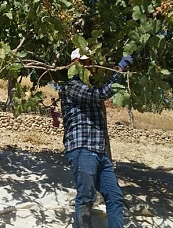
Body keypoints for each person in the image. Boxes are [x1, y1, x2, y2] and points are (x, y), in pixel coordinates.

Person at [59, 48, 133, 228]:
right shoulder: (72, 86)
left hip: (99, 151)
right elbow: (100, 95)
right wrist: (119, 70)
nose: (89, 65)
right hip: (82, 148)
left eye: (90, 62)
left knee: (115, 197)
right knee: (85, 198)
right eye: (85, 62)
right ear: (74, 64)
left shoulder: (88, 85)